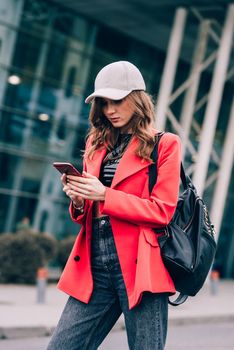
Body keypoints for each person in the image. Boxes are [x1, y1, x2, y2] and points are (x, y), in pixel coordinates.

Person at [47, 61, 181, 350]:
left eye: (117, 101)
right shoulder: (97, 142)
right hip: (94, 264)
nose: (109, 109)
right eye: (104, 102)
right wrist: (80, 200)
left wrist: (105, 195)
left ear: (137, 99)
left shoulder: (165, 144)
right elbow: (88, 212)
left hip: (141, 266)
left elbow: (162, 211)